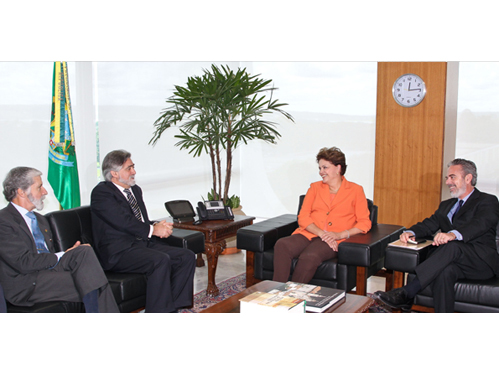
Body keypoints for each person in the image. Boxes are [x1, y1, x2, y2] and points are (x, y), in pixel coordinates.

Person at [374, 158, 499, 313]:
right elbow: (429, 224)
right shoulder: (446, 205)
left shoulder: (488, 201)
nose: (448, 182)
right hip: (456, 263)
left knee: (452, 246)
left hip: (480, 261)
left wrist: (453, 235)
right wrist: (409, 232)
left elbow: (481, 223)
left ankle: (407, 293)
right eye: (447, 178)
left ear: (468, 178)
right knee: (444, 272)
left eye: (452, 177)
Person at [0, 167, 119, 312]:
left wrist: (66, 254)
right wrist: (61, 256)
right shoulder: (4, 221)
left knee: (84, 251)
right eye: (39, 187)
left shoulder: (40, 220)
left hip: (47, 272)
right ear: (21, 192)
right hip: (26, 282)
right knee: (92, 282)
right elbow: (23, 263)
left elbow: (50, 257)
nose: (44, 192)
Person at [90, 150, 196, 313]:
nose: (134, 171)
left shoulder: (135, 190)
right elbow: (123, 221)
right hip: (118, 251)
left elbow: (139, 221)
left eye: (133, 167)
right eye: (129, 168)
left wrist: (157, 225)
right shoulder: (102, 193)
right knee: (159, 260)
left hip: (141, 244)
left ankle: (175, 306)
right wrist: (153, 229)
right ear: (114, 173)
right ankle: (158, 312)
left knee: (186, 256)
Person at [273, 147, 372, 284]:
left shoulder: (356, 190)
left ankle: (292, 296)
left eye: (325, 168)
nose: (321, 172)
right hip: (310, 233)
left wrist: (339, 235)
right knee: (282, 244)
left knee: (310, 256)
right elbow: (303, 217)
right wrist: (321, 233)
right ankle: (276, 291)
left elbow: (364, 223)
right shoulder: (314, 188)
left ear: (338, 168)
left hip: (334, 239)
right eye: (320, 168)